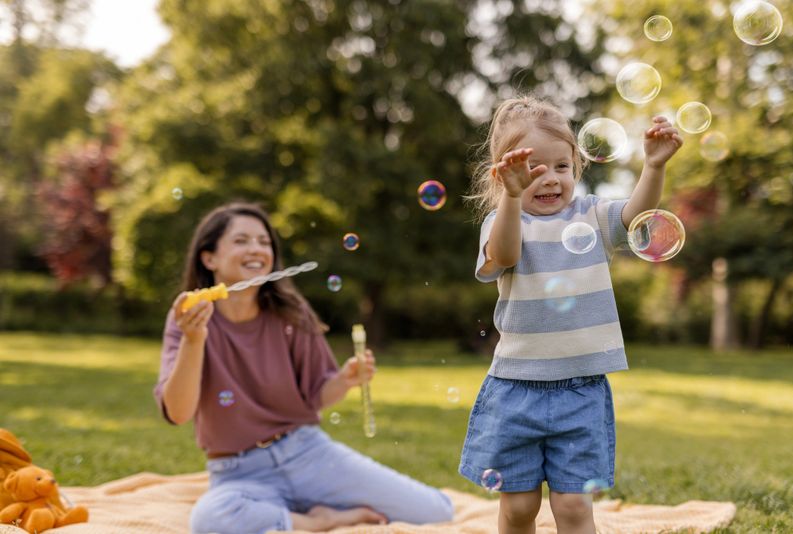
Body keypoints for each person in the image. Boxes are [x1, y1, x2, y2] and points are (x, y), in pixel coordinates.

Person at [154, 202, 453, 534]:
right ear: (209, 258)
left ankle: (282, 515)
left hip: (308, 453)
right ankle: (317, 520)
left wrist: (343, 380)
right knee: (210, 520)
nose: (256, 249)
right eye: (241, 241)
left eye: (264, 241)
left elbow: (315, 396)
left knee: (437, 512)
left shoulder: (290, 313)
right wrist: (194, 340)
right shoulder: (188, 317)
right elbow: (178, 412)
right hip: (239, 471)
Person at [459, 96, 683, 534]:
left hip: (581, 391)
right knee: (520, 506)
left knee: (575, 508)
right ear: (504, 175)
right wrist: (510, 195)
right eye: (533, 169)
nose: (549, 179)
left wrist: (653, 166)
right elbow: (503, 254)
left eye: (562, 167)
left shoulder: (592, 217)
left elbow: (638, 214)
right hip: (514, 390)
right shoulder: (503, 221)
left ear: (577, 169)